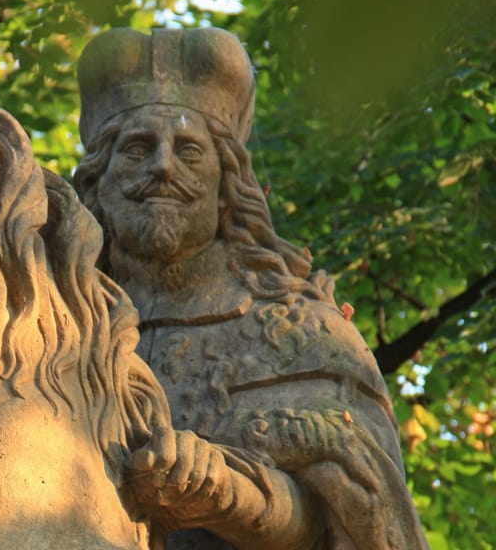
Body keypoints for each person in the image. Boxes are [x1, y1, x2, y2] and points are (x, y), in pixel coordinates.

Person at [74, 27, 427, 549]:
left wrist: (229, 492)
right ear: (96, 180)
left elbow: (358, 512)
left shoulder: (300, 331)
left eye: (189, 151)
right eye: (137, 148)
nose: (163, 166)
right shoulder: (52, 320)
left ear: (226, 185)